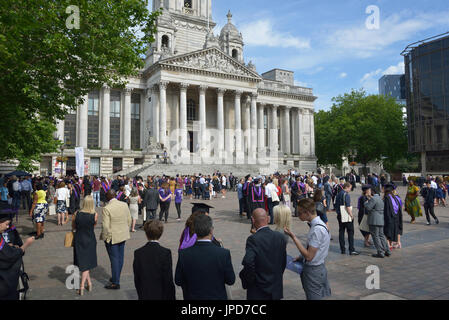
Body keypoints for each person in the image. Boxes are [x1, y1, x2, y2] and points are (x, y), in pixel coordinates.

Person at [175, 214, 235, 300]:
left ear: (195, 231)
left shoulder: (184, 254)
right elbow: (230, 280)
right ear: (211, 230)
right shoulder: (223, 253)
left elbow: (178, 280)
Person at [284, 198, 331, 300]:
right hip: (317, 268)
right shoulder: (319, 225)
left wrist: (294, 237)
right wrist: (301, 257)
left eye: (300, 213)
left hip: (314, 271)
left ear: (307, 212)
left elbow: (309, 256)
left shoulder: (317, 229)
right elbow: (316, 249)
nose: (299, 215)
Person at [239, 208, 287, 300]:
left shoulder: (253, 239)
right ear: (268, 219)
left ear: (253, 220)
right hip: (275, 287)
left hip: (259, 289)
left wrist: (250, 280)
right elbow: (283, 262)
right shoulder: (280, 237)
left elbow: (248, 262)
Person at [133, 220, 175, 300]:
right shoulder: (165, 252)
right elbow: (168, 278)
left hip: (145, 293)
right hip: (161, 294)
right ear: (161, 233)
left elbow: (137, 277)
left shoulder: (138, 253)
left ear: (146, 233)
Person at [100, 190, 132, 290]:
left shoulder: (106, 208)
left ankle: (115, 282)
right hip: (122, 234)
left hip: (112, 236)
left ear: (108, 197)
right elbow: (129, 219)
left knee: (114, 259)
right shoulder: (124, 205)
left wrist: (107, 237)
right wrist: (125, 229)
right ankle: (116, 276)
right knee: (120, 257)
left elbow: (105, 226)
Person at [0, 213, 35, 300]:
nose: (8, 227)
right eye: (6, 224)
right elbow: (9, 256)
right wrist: (26, 244)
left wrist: (9, 246)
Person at [72, 195, 98, 296]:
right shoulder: (94, 215)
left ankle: (86, 285)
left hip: (79, 239)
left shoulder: (76, 213)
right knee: (86, 263)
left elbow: (73, 226)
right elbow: (93, 226)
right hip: (90, 239)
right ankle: (84, 286)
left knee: (83, 263)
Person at [363, 186, 391, 258]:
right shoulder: (379, 198)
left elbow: (368, 207)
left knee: (375, 236)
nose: (368, 191)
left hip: (374, 220)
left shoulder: (373, 198)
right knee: (381, 235)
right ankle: (387, 250)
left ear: (372, 191)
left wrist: (366, 203)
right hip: (380, 219)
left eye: (369, 190)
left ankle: (380, 252)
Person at [335, 183, 359, 255]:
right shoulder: (346, 195)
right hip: (346, 215)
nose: (350, 189)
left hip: (339, 214)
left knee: (341, 232)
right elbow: (347, 206)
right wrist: (351, 215)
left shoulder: (338, 194)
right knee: (350, 232)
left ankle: (343, 249)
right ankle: (351, 249)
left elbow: (335, 204)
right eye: (350, 188)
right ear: (347, 187)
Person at [383, 184, 403, 250]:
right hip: (396, 217)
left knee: (387, 230)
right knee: (393, 230)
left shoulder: (387, 197)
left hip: (389, 217)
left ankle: (389, 245)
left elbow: (386, 209)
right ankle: (394, 243)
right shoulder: (395, 197)